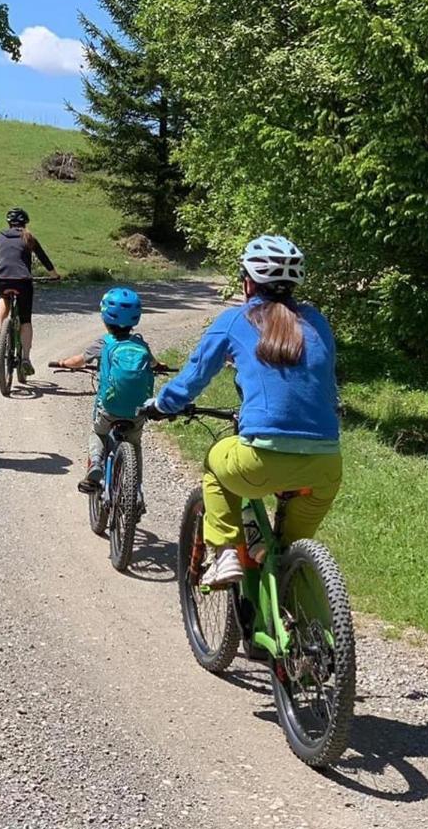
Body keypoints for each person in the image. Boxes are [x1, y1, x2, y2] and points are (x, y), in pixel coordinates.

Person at [142, 236, 342, 588]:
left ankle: (225, 554)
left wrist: (161, 405)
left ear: (247, 281)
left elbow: (191, 379)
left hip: (260, 458)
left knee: (216, 464)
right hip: (325, 464)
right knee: (286, 555)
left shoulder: (235, 320)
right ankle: (304, 625)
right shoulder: (317, 322)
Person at [50, 287, 166, 494]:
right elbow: (154, 363)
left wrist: (63, 363)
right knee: (134, 442)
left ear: (105, 317)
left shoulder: (104, 343)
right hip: (137, 410)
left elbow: (80, 360)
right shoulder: (141, 344)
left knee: (98, 432)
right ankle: (135, 489)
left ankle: (95, 465)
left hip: (109, 408)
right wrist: (160, 366)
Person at [0, 207, 60, 377]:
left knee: (4, 298)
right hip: (22, 281)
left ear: (8, 223)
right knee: (25, 320)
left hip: (1, 278)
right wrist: (54, 276)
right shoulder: (28, 236)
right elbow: (43, 258)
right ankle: (26, 358)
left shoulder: (0, 236)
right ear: (25, 223)